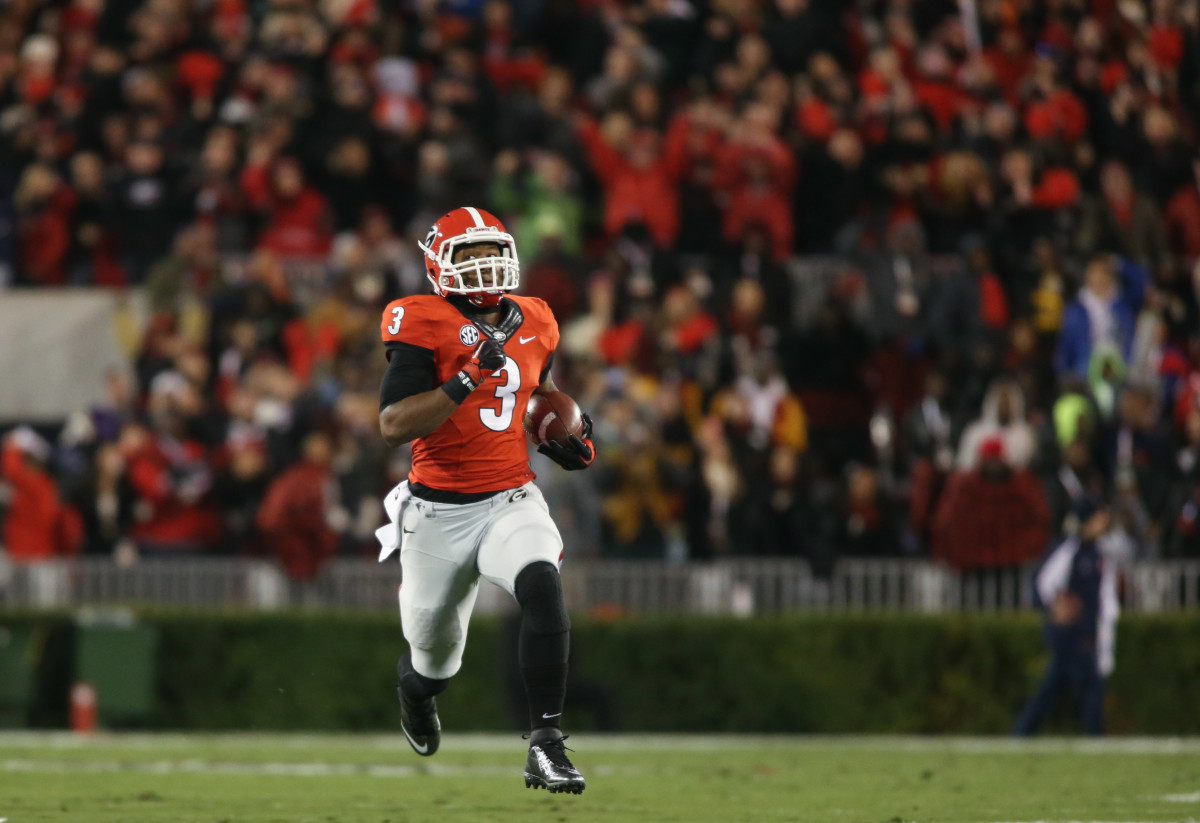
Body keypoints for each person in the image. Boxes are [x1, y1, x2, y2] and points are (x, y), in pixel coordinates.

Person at [375, 206, 594, 793]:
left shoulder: (537, 320)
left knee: (542, 583)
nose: (483, 267)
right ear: (439, 265)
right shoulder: (419, 319)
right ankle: (416, 695)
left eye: (491, 254)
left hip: (509, 499)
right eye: (468, 256)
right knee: (434, 663)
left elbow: (539, 395)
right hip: (437, 516)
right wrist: (466, 377)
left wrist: (569, 434)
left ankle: (546, 745)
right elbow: (394, 424)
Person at [1014, 498, 1120, 736]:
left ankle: (1022, 733)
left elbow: (1105, 601)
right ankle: (1094, 738)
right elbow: (1043, 584)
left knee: (1063, 689)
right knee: (1081, 688)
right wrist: (1056, 606)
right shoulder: (1071, 550)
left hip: (1087, 633)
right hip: (1070, 635)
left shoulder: (1101, 554)